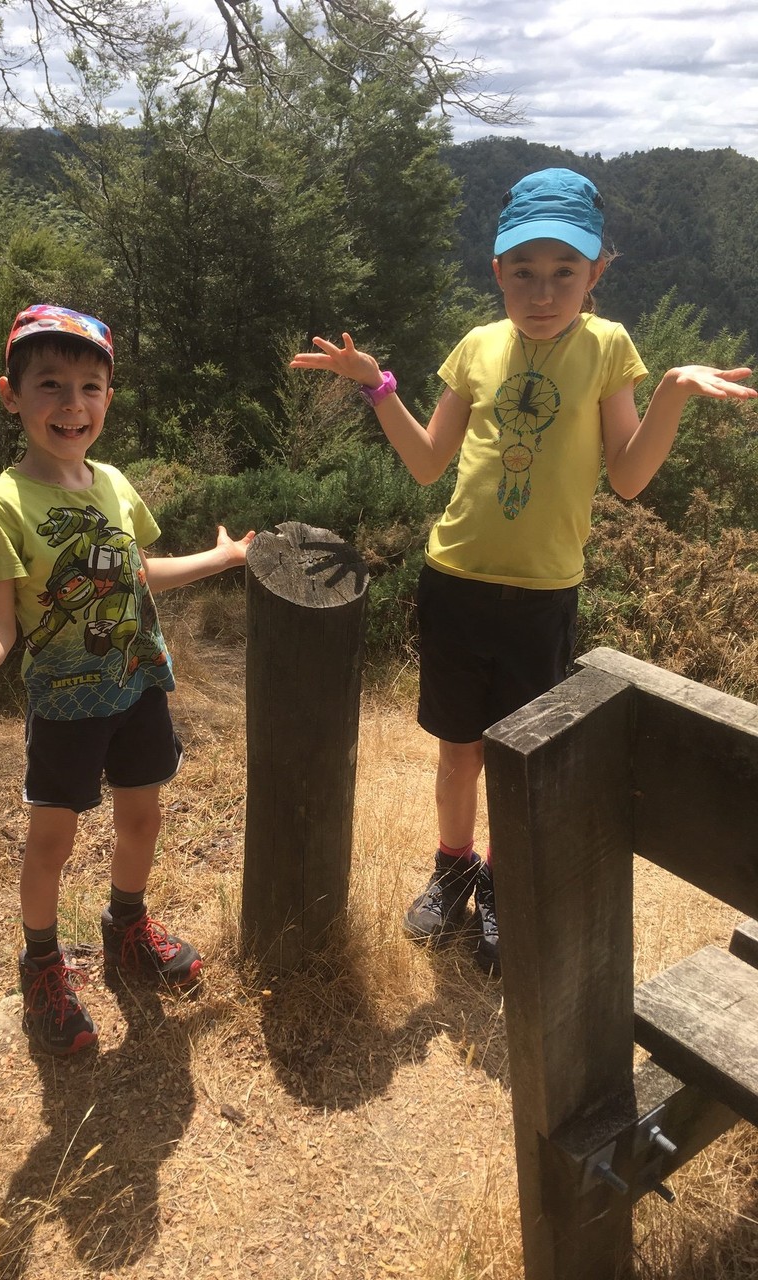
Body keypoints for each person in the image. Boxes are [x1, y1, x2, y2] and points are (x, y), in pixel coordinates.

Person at [290, 168, 756, 977]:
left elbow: (629, 476)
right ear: (497, 270)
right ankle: (452, 867)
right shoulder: (477, 346)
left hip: (544, 593)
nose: (543, 293)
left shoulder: (608, 348)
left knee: (516, 752)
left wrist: (673, 393)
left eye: (564, 273)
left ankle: (502, 883)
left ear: (595, 275)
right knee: (458, 750)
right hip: (456, 579)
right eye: (525, 273)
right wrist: (377, 387)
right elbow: (430, 464)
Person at [0, 304, 254, 1055]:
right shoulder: (3, 502)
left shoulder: (116, 484)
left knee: (143, 819)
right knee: (51, 842)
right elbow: (0, 618)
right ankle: (42, 967)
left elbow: (141, 573)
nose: (72, 404)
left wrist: (219, 561)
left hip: (137, 686)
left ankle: (126, 927)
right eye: (50, 384)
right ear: (11, 393)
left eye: (90, 387)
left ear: (109, 400)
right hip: (64, 703)